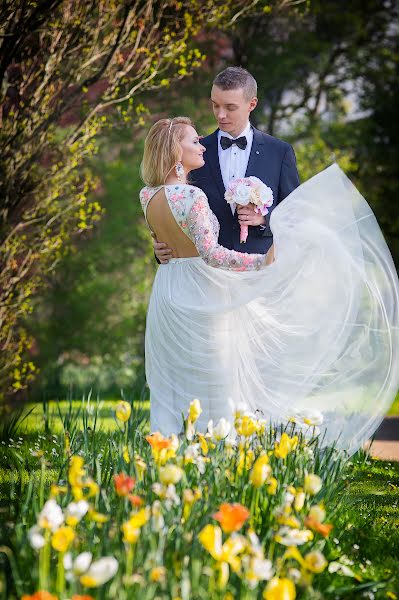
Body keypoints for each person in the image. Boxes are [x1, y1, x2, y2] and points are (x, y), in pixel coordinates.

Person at [140, 116, 399, 456]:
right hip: (204, 290)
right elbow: (213, 255)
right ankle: (219, 450)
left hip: (169, 289)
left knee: (177, 374)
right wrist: (260, 264)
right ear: (176, 154)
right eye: (193, 142)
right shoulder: (192, 197)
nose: (201, 144)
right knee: (217, 372)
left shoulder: (147, 195)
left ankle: (171, 450)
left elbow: (167, 243)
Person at [153, 67, 300, 264]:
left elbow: (296, 215)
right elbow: (172, 204)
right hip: (206, 274)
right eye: (215, 105)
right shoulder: (194, 153)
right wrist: (163, 248)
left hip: (261, 271)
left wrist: (264, 219)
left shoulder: (279, 152)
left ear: (252, 104)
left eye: (230, 107)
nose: (220, 115)